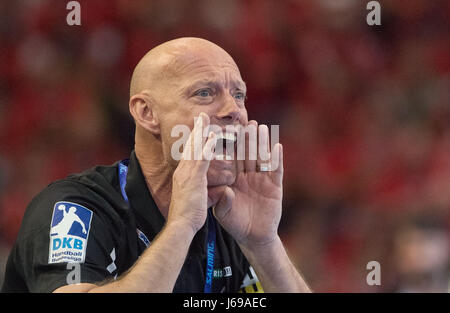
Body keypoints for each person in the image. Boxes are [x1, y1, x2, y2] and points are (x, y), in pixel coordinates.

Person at [1, 37, 311, 293]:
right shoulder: (74, 208)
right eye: (205, 93)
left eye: (239, 94)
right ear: (147, 112)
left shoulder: (231, 221)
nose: (234, 110)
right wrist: (181, 225)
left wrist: (263, 243)